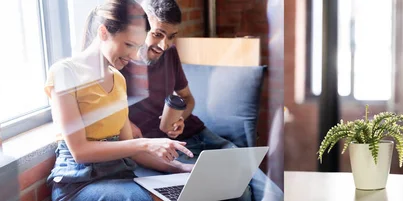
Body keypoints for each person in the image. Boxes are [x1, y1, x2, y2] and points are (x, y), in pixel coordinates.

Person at [120, 0, 284, 200]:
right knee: (240, 193)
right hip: (174, 149)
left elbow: (188, 98)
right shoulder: (120, 66)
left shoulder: (170, 54)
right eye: (157, 34)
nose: (165, 45)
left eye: (171, 36)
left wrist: (180, 118)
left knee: (274, 195)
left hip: (205, 136)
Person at [44, 1, 193, 200]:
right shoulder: (65, 72)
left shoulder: (118, 80)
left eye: (138, 47)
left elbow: (129, 148)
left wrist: (180, 168)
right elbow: (80, 151)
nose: (133, 55)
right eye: (129, 45)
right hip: (79, 183)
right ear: (103, 32)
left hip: (117, 175)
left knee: (182, 193)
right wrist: (146, 144)